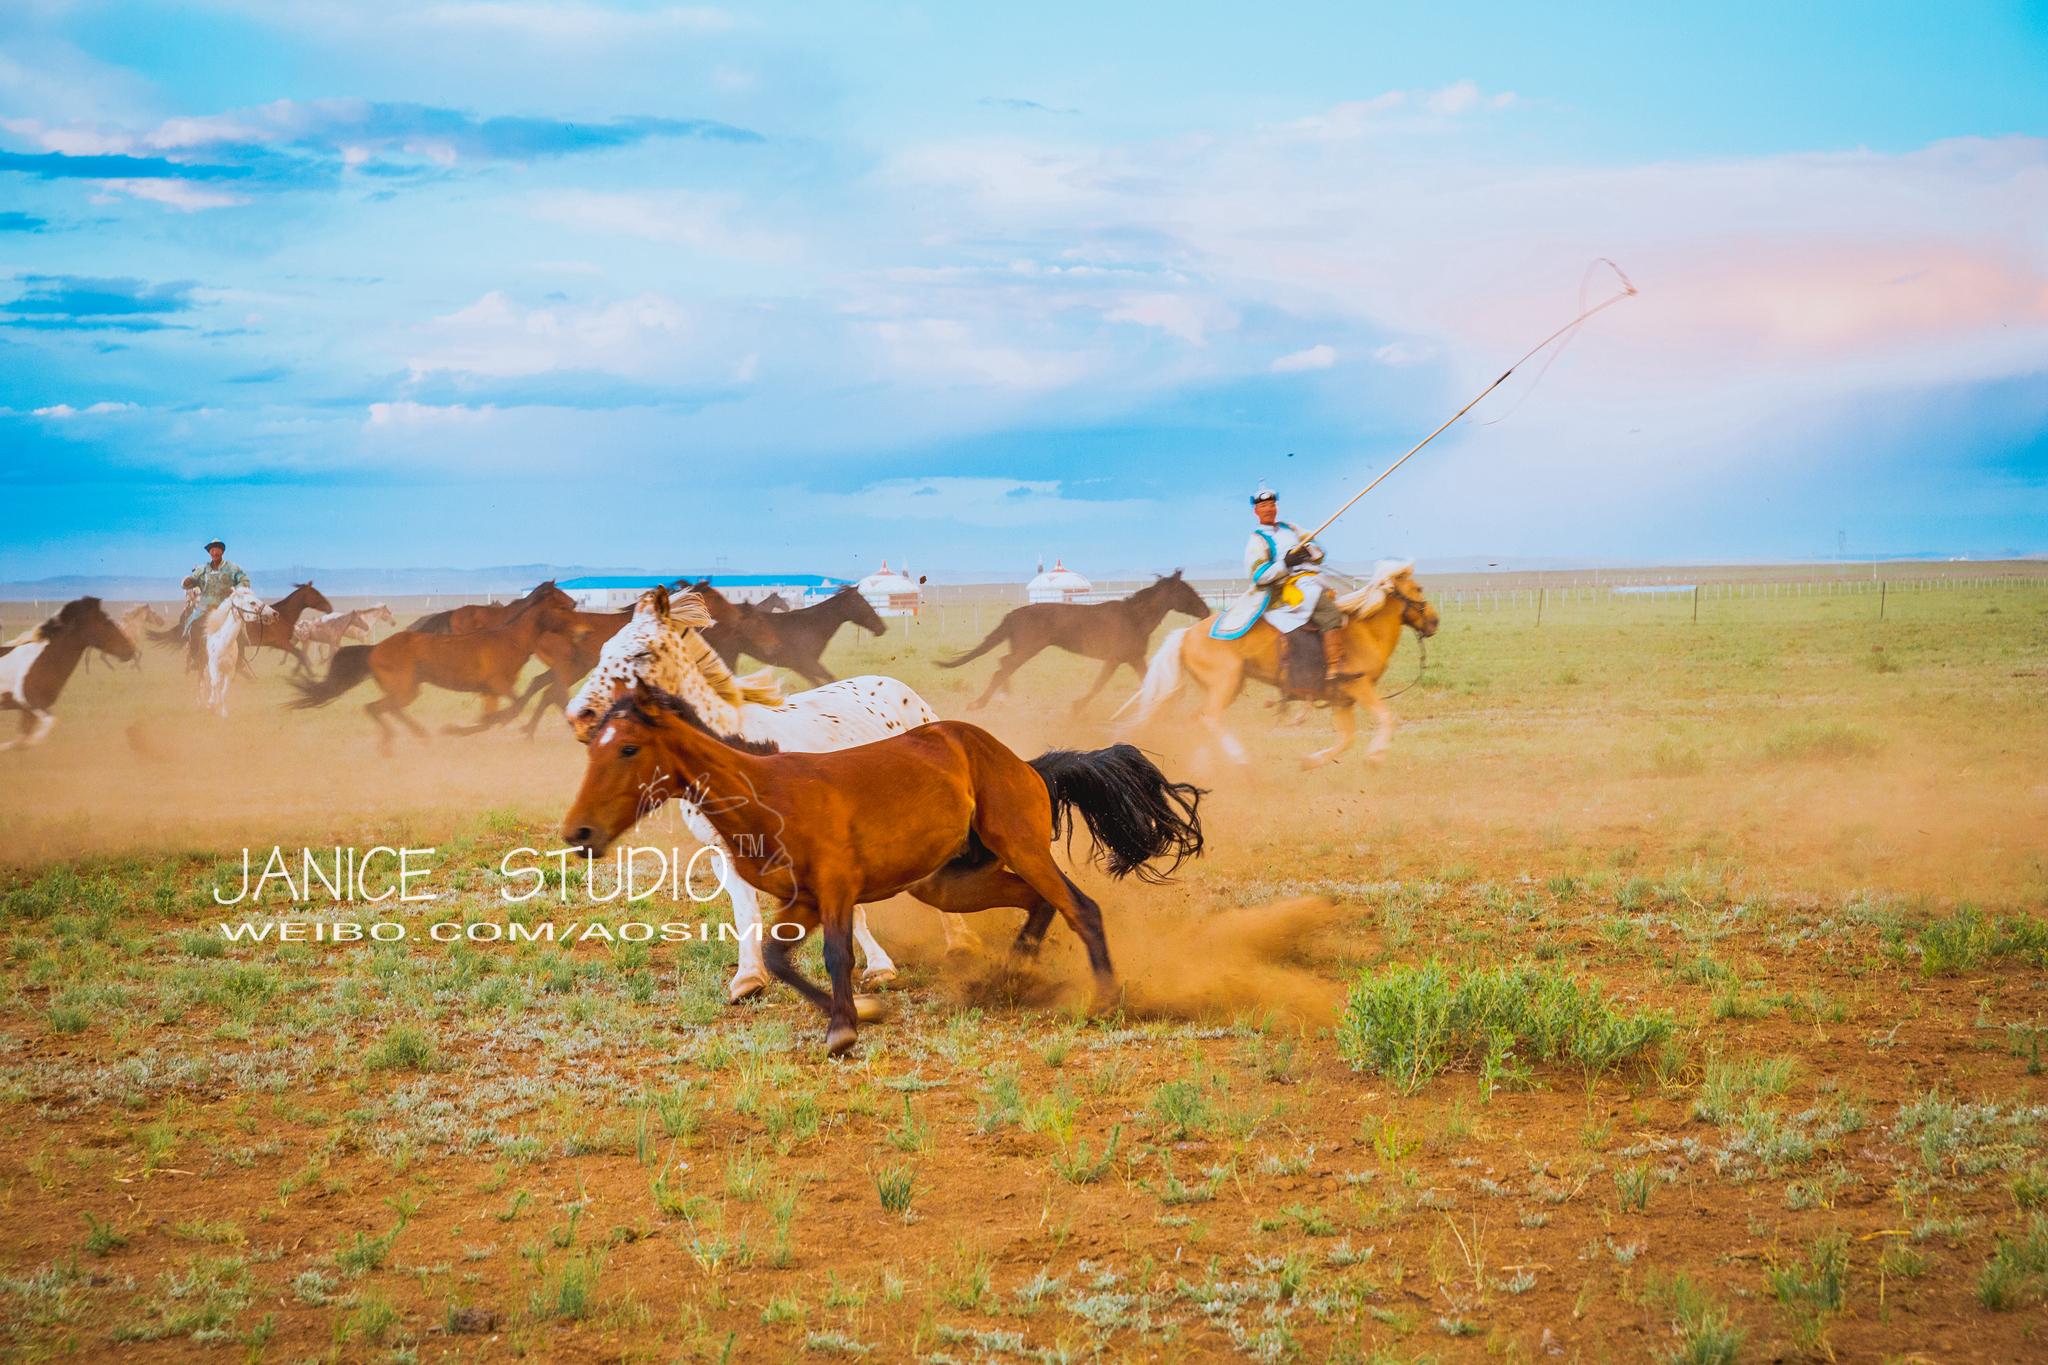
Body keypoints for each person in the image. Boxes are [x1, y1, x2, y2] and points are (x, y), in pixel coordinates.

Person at [1244, 486, 1351, 687]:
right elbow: (1258, 575)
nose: (1269, 509)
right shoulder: (1257, 539)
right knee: (1330, 614)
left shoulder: (1290, 528)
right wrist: (1285, 564)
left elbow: (1319, 552)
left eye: (1272, 504)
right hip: (1289, 588)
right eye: (1264, 506)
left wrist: (1308, 552)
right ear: (1255, 511)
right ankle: (1335, 666)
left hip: (1311, 580)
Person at [180, 539, 251, 666]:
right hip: (207, 609)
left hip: (227, 610)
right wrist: (187, 581)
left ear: (222, 551)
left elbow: (245, 581)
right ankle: (196, 658)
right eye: (212, 550)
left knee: (238, 630)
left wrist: (234, 590)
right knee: (195, 626)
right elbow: (191, 580)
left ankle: (239, 660)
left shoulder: (233, 568)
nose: (214, 552)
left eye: (217, 549)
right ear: (209, 553)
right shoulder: (202, 570)